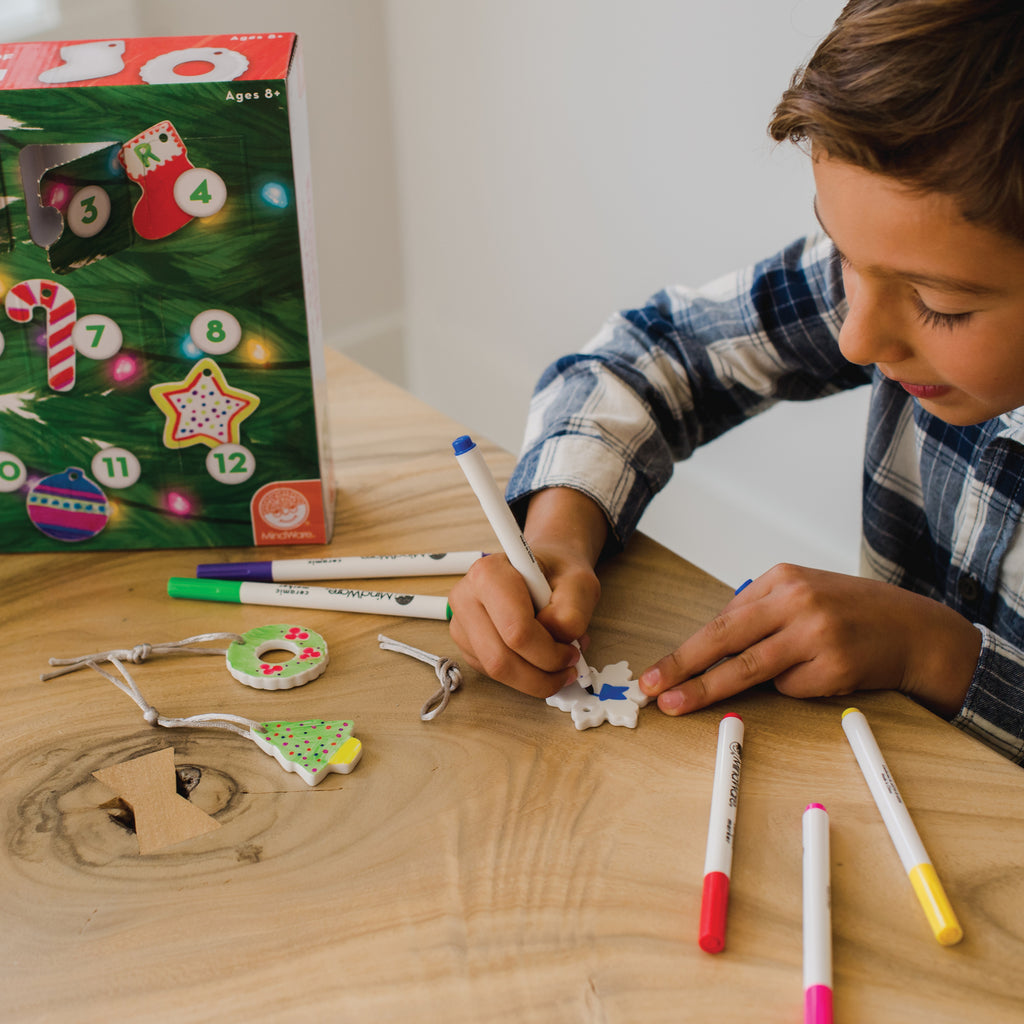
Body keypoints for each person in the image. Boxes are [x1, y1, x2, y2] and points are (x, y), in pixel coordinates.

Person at [446, 0, 1024, 766]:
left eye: (941, 305)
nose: (856, 339)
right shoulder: (898, 275)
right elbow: (652, 354)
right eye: (844, 256)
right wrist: (557, 534)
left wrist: (935, 653)